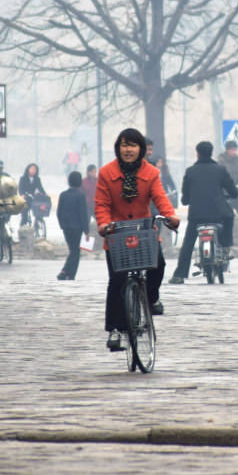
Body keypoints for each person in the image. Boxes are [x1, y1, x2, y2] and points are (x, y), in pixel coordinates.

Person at [95, 128, 180, 351]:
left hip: (143, 232)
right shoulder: (106, 173)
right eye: (124, 145)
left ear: (141, 149)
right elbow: (102, 204)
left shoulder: (151, 173)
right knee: (117, 281)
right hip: (116, 233)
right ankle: (115, 329)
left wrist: (170, 215)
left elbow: (160, 197)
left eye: (132, 145)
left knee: (158, 265)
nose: (128, 150)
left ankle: (151, 298)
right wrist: (103, 224)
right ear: (118, 148)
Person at [170, 141, 238, 284]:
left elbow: (185, 198)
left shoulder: (190, 171)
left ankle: (179, 274)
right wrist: (231, 194)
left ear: (198, 153)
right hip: (218, 214)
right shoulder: (220, 170)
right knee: (230, 217)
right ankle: (226, 245)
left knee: (188, 243)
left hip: (197, 216)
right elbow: (233, 192)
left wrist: (188, 199)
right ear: (211, 152)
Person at [56, 171, 90, 280]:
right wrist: (86, 231)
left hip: (66, 228)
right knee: (75, 251)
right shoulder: (80, 196)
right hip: (77, 228)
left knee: (73, 250)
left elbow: (59, 212)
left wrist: (62, 225)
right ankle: (66, 272)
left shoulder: (63, 195)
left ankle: (69, 274)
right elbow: (83, 214)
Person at [18, 163, 47, 230]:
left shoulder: (37, 179)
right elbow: (20, 188)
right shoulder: (23, 178)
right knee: (24, 214)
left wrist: (44, 194)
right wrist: (22, 195)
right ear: (28, 169)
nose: (33, 171)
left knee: (39, 211)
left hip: (33, 198)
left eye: (35, 169)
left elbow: (40, 188)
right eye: (32, 169)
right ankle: (22, 228)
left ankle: (37, 226)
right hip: (25, 198)